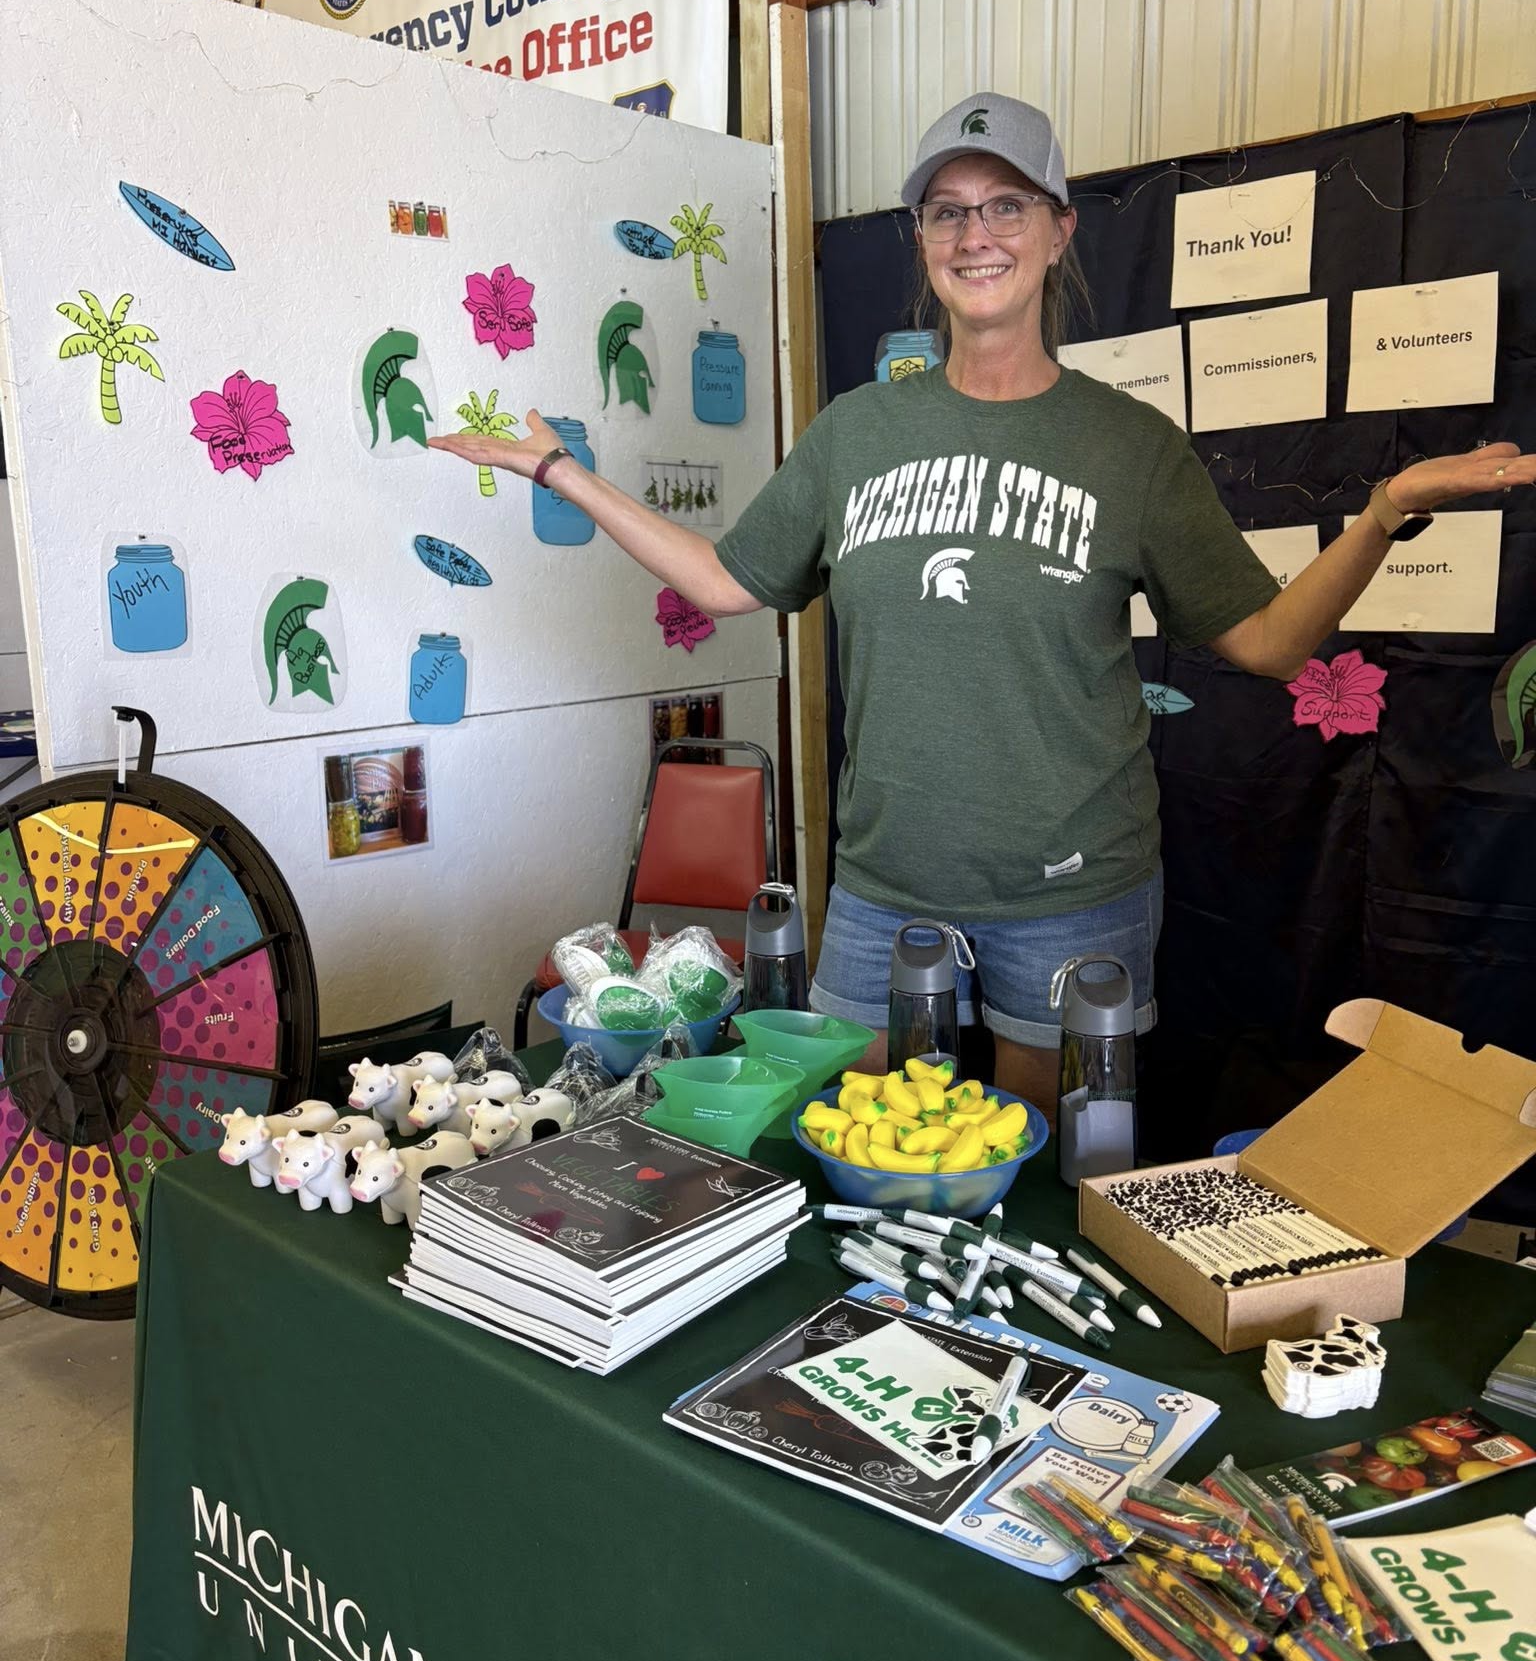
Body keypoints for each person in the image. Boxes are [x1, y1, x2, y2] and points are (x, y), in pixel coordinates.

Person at [430, 91, 1533, 1119]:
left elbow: (1270, 643)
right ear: (920, 240)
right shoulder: (857, 432)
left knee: (1036, 1178)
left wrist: (1386, 508)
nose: (976, 234)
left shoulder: (1130, 448)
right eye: (947, 211)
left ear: (1058, 229)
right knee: (860, 1144)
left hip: (1071, 887)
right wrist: (562, 474)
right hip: (882, 882)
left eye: (1006, 204)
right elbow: (725, 582)